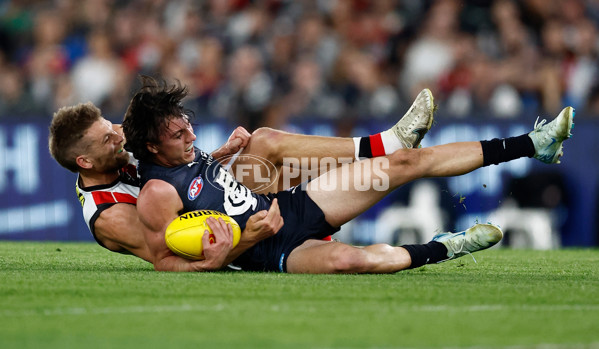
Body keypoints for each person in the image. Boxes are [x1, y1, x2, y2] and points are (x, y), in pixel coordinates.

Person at [121, 77, 574, 273]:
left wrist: (223, 154)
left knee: (404, 165)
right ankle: (448, 246)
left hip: (293, 205)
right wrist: (231, 250)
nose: (186, 130)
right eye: (174, 129)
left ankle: (533, 144)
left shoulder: (185, 151)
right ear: (151, 146)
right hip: (274, 248)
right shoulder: (157, 191)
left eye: (184, 121)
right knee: (351, 261)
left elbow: (207, 183)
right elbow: (165, 261)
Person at [48, 86, 436, 264]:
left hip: (208, 200)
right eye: (107, 137)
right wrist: (241, 243)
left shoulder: (113, 151)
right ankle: (375, 164)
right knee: (270, 156)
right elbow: (170, 257)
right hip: (227, 238)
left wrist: (219, 155)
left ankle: (383, 146)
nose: (119, 134)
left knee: (265, 146)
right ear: (85, 161)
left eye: (111, 127)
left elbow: (180, 176)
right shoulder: (112, 217)